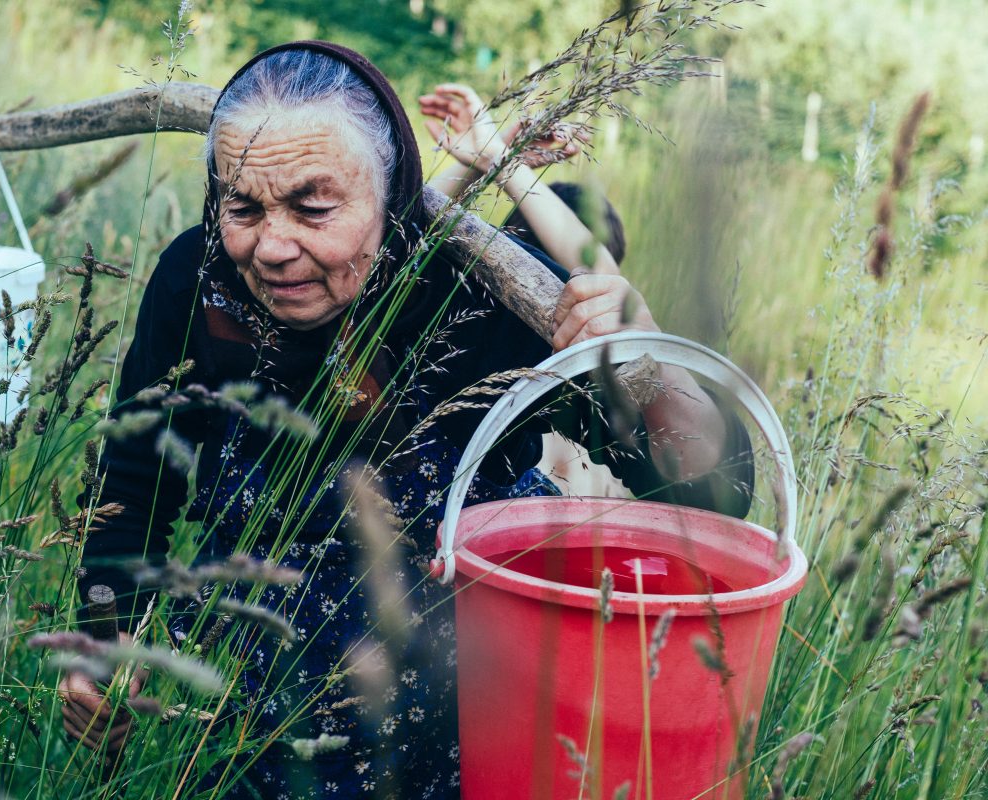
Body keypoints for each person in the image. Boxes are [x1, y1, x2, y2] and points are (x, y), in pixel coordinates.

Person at [59, 41, 753, 799]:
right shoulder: (199, 286)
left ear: (392, 198)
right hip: (240, 729)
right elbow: (134, 479)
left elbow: (711, 495)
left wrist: (645, 368)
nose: (273, 247)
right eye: (244, 207)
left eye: (313, 207)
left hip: (469, 739)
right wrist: (107, 634)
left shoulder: (481, 303)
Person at [420, 82, 629, 498]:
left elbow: (397, 230)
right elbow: (604, 275)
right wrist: (501, 159)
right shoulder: (469, 306)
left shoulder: (439, 282)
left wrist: (496, 158)